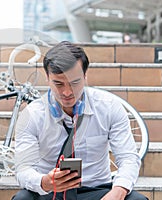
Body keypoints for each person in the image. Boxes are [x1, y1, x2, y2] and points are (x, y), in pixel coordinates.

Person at [12, 41, 148, 200]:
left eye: (74, 82)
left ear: (85, 76)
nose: (67, 92)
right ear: (48, 78)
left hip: (96, 189)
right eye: (58, 84)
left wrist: (119, 191)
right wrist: (43, 182)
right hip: (50, 191)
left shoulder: (109, 107)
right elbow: (23, 169)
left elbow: (128, 158)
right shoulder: (31, 115)